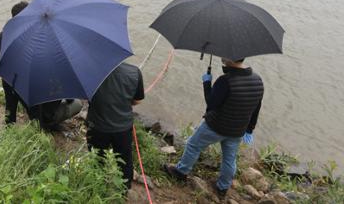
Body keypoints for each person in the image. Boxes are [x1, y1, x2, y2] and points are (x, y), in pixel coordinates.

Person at [164, 57, 264, 198]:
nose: (222, 56)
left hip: (215, 126)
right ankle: (223, 188)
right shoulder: (258, 80)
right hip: (237, 131)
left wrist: (207, 82)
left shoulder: (225, 80)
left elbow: (211, 103)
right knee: (229, 159)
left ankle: (181, 172)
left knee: (193, 145)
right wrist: (249, 129)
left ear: (231, 57)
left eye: (224, 55)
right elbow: (256, 108)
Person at [86, 61, 145, 189]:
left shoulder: (90, 70)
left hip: (96, 127)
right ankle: (124, 190)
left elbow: (86, 95)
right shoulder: (134, 72)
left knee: (96, 158)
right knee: (124, 160)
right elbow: (137, 100)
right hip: (123, 128)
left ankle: (96, 186)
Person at [0, 0, 29, 124]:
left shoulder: (1, 36)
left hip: (8, 78)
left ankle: (9, 130)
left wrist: (4, 74)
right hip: (26, 80)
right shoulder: (30, 35)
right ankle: (37, 133)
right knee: (33, 108)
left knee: (10, 106)